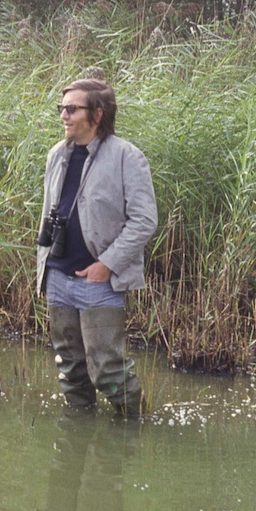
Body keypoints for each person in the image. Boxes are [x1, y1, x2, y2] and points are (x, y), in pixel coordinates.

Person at [37, 78, 157, 416]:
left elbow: (144, 221)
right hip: (58, 277)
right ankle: (79, 437)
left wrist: (107, 264)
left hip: (99, 283)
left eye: (72, 109)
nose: (64, 115)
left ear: (97, 114)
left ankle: (136, 428)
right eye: (62, 108)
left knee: (108, 370)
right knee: (70, 370)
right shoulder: (56, 155)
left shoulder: (127, 157)